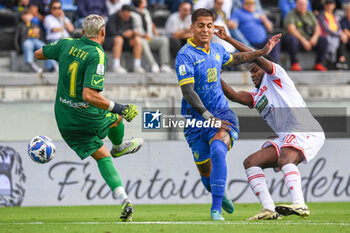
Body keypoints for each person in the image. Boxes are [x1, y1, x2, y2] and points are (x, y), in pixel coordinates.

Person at [34, 14, 143, 222]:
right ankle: (119, 146)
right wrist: (119, 108)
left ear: (82, 32)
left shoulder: (66, 44)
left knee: (102, 156)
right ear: (103, 33)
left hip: (64, 117)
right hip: (85, 113)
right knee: (116, 118)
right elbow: (89, 95)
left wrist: (57, 53)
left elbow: (39, 54)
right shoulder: (97, 54)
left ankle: (124, 200)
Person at [175, 8, 280, 221]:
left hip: (222, 113)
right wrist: (206, 117)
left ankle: (215, 211)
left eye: (209, 25)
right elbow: (188, 91)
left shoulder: (216, 49)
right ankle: (219, 194)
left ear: (214, 27)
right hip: (196, 119)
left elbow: (238, 58)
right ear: (192, 27)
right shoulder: (185, 55)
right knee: (205, 172)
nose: (205, 30)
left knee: (217, 149)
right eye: (201, 25)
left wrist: (262, 52)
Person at [214, 24, 325, 220]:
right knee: (251, 162)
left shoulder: (277, 76)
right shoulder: (257, 95)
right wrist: (212, 75)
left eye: (255, 70)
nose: (253, 74)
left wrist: (229, 39)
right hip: (288, 136)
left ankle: (299, 203)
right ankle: (269, 209)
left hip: (306, 129)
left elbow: (255, 56)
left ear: (265, 68)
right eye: (251, 72)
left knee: (285, 159)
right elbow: (234, 96)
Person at [284, 0, 328, 71]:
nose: (303, 6)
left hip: (310, 40)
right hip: (298, 40)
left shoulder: (310, 14)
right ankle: (294, 63)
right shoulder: (291, 14)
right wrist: (303, 40)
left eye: (304, 5)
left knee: (323, 40)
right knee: (291, 39)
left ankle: (319, 63)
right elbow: (291, 29)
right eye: (301, 4)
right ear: (296, 5)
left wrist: (315, 38)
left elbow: (318, 28)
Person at [132, 0, 172, 73]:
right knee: (142, 42)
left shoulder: (146, 11)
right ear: (140, 3)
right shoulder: (132, 13)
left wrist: (155, 30)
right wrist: (143, 35)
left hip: (150, 37)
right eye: (144, 1)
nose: (146, 3)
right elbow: (133, 29)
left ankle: (164, 65)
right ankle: (153, 64)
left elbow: (150, 22)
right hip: (139, 38)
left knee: (164, 40)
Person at [104, 4, 145, 73]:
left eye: (129, 13)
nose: (128, 15)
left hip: (125, 42)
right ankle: (116, 66)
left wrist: (133, 33)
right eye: (126, 13)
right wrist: (123, 34)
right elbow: (111, 32)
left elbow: (131, 30)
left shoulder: (130, 18)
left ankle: (137, 66)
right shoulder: (113, 17)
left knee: (137, 40)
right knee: (119, 39)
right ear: (121, 12)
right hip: (110, 41)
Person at [318, 0, 349, 69]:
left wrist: (341, 33)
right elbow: (327, 28)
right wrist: (339, 34)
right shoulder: (322, 15)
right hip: (327, 35)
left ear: (334, 6)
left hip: (335, 35)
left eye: (331, 4)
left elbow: (338, 27)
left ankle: (340, 61)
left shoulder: (334, 15)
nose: (329, 6)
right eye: (327, 4)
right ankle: (333, 62)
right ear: (325, 5)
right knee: (336, 40)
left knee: (343, 39)